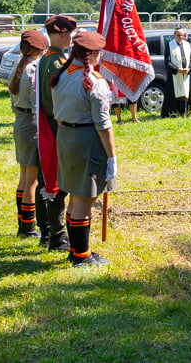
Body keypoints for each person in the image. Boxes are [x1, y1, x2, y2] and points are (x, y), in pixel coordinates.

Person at [50, 31, 117, 268]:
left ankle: (80, 250)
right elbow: (103, 124)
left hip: (66, 137)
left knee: (76, 196)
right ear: (94, 54)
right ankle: (81, 255)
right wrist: (112, 156)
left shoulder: (62, 75)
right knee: (84, 199)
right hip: (87, 140)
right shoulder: (93, 81)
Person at [37, 14, 77, 251]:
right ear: (62, 34)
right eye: (70, 34)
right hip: (56, 127)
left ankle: (50, 233)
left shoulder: (53, 58)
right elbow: (56, 101)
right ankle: (57, 235)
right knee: (57, 185)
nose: (72, 38)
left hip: (52, 126)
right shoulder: (54, 62)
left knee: (50, 182)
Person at [9, 30, 48, 238]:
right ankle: (28, 227)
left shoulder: (20, 66)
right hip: (31, 123)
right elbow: (36, 102)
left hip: (20, 121)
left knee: (24, 177)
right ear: (40, 49)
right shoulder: (33, 69)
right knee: (32, 180)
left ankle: (22, 223)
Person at [161, 28, 191, 117]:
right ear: (174, 35)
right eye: (178, 35)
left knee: (185, 93)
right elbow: (167, 61)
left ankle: (184, 112)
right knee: (173, 94)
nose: (180, 37)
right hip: (174, 75)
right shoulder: (169, 46)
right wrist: (177, 69)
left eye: (182, 35)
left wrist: (189, 68)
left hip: (185, 74)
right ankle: (172, 113)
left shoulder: (188, 45)